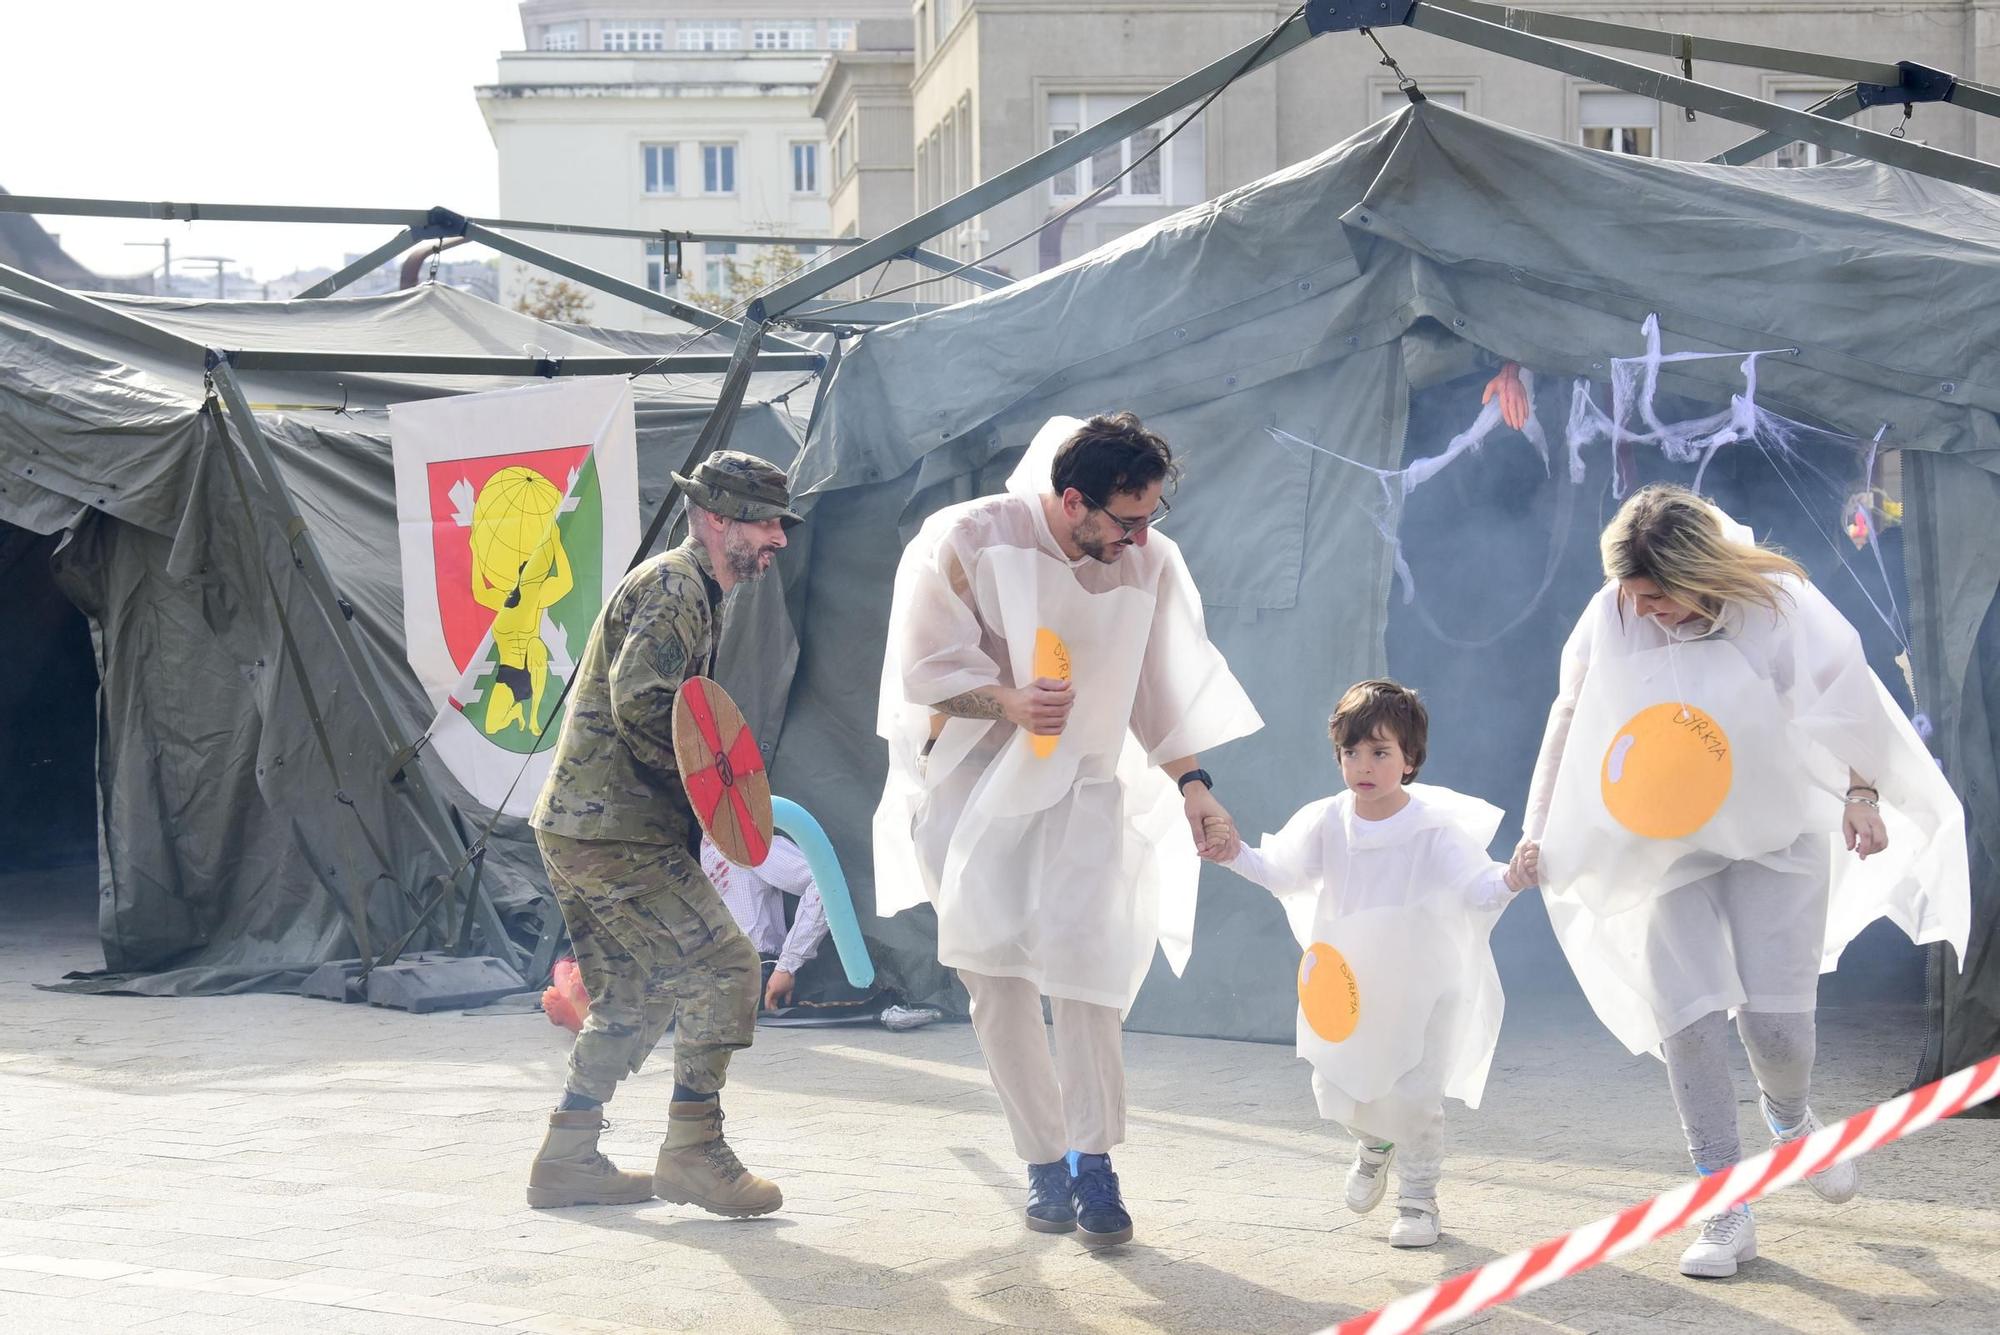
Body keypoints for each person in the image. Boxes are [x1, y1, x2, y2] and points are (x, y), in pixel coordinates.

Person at [1521, 482, 1968, 1278]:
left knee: (1778, 1033)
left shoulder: (1774, 604)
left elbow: (1847, 694)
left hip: (1775, 832)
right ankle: (1724, 1203)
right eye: (1632, 594)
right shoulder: (1612, 612)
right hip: (1665, 846)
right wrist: (1537, 827)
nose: (1641, 609)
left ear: (1696, 573)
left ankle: (1790, 1119)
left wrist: (1862, 793)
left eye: (1655, 595)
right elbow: (1568, 714)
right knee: (1688, 1020)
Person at [873, 412, 1262, 1247]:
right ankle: (1043, 1160)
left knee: (1089, 969)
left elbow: (1155, 687)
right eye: (1127, 519)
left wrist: (1194, 785)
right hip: (973, 789)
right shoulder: (970, 538)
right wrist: (1009, 701)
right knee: (997, 976)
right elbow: (924, 672)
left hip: (1083, 789)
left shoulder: (1146, 561)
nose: (1141, 536)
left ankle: (1095, 1160)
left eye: (1152, 516)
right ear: (1074, 499)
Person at [523, 450, 800, 1218]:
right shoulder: (678, 586)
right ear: (715, 518)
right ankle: (693, 1151)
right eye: (764, 521)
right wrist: (709, 802)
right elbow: (644, 705)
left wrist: (709, 809)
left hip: (582, 825)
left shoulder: (698, 592)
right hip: (615, 830)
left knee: (632, 995)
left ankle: (567, 1156)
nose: (778, 537)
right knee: (728, 963)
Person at [1216, 680, 1535, 1248]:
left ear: (1409, 759)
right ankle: (1373, 1142)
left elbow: (1476, 887)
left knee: (1416, 1093)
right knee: (1337, 1083)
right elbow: (1281, 872)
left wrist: (1511, 878)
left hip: (1425, 984)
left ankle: (1419, 1199)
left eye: (1380, 752)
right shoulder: (1327, 820)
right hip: (1351, 983)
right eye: (1352, 751)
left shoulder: (1432, 829)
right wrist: (1232, 853)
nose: (1364, 765)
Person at [698, 833, 828, 1010]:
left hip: (757, 978)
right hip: (717, 978)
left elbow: (824, 884)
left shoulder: (744, 838)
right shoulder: (707, 838)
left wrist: (787, 966)